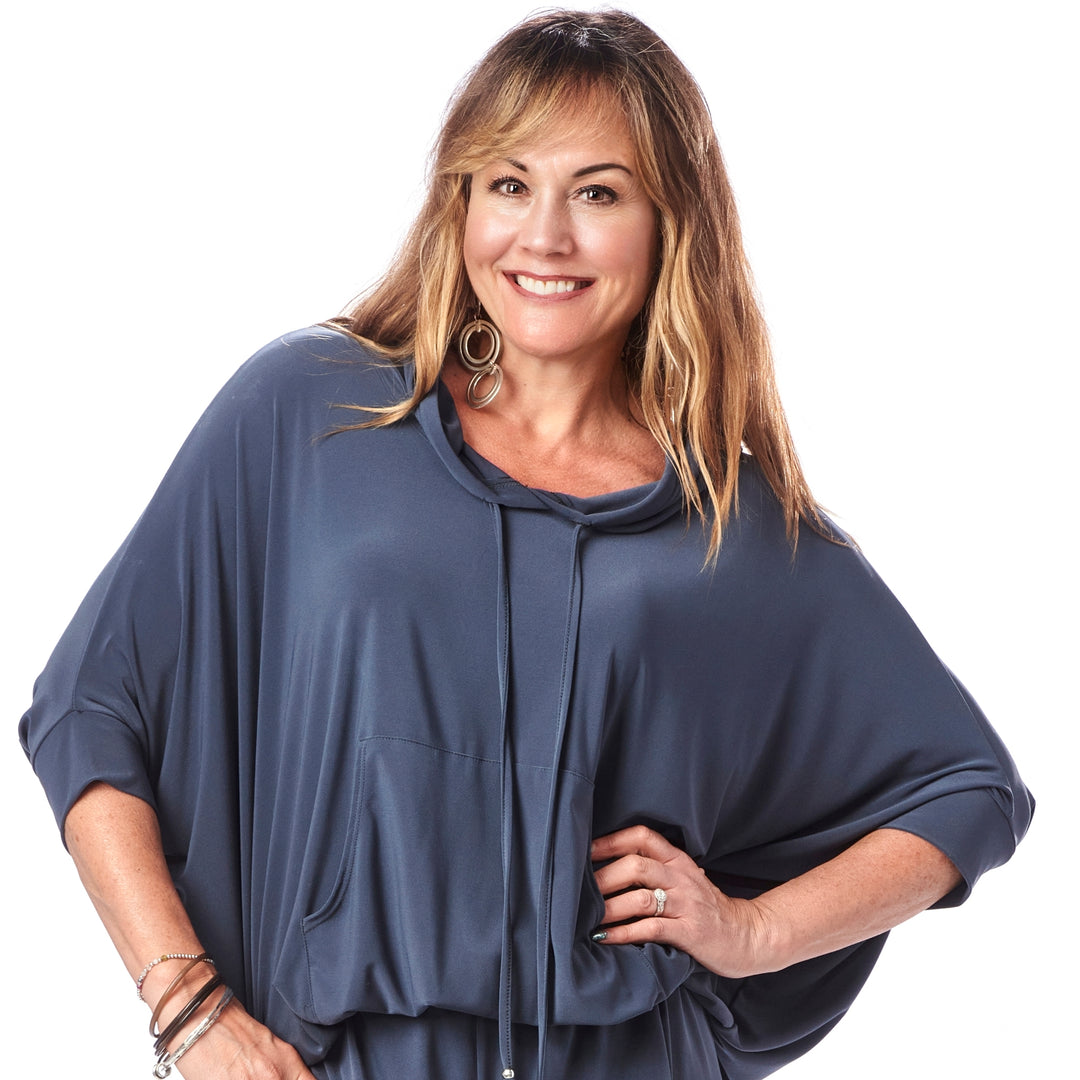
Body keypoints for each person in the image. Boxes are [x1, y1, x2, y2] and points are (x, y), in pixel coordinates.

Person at [19, 9, 1032, 1080]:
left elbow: (967, 791)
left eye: (598, 193)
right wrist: (188, 1009)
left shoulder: (730, 525)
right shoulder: (311, 413)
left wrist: (756, 930)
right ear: (460, 201)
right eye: (509, 184)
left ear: (669, 222)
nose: (544, 237)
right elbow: (90, 709)